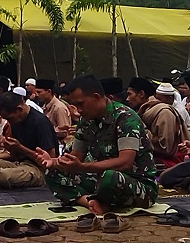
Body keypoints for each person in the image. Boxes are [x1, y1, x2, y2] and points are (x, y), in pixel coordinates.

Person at [35, 74, 158, 215]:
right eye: (75, 105)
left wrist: (82, 167)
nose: (78, 110)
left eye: (81, 104)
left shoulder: (126, 118)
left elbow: (125, 163)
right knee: (52, 171)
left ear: (96, 97)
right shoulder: (86, 120)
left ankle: (98, 200)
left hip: (135, 185)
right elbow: (75, 157)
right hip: (99, 178)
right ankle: (89, 201)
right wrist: (54, 162)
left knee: (111, 177)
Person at [0, 91, 58, 188]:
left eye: (10, 118)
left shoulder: (40, 122)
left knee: (4, 176)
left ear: (19, 109)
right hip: (19, 164)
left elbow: (50, 160)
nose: (9, 122)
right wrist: (7, 145)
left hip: (38, 169)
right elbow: (15, 156)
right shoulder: (15, 121)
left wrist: (20, 147)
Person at [127, 78, 190, 168]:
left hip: (168, 162)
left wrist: (141, 129)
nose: (127, 99)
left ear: (141, 94)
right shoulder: (143, 111)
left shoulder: (164, 112)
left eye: (130, 94)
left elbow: (166, 148)